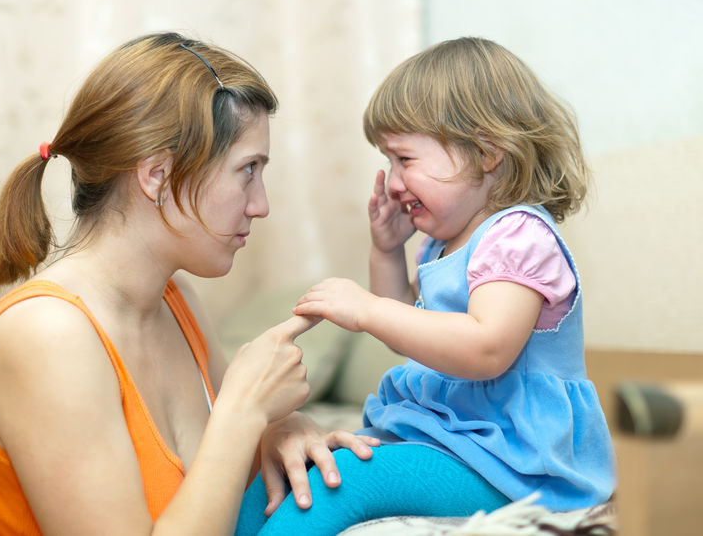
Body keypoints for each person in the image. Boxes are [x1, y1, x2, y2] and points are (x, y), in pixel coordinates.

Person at [0, 32, 379, 535]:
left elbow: (218, 479)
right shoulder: (47, 336)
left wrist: (278, 429)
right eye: (247, 171)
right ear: (157, 175)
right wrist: (243, 412)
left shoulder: (177, 302)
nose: (261, 204)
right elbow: (229, 433)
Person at [235, 37, 616, 535]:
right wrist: (387, 251)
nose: (392, 182)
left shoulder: (519, 234)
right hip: (456, 441)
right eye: (387, 162)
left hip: (515, 460)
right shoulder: (442, 244)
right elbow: (409, 332)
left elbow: (485, 349)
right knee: (283, 476)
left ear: (485, 152)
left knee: (341, 480)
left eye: (404, 159)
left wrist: (366, 307)